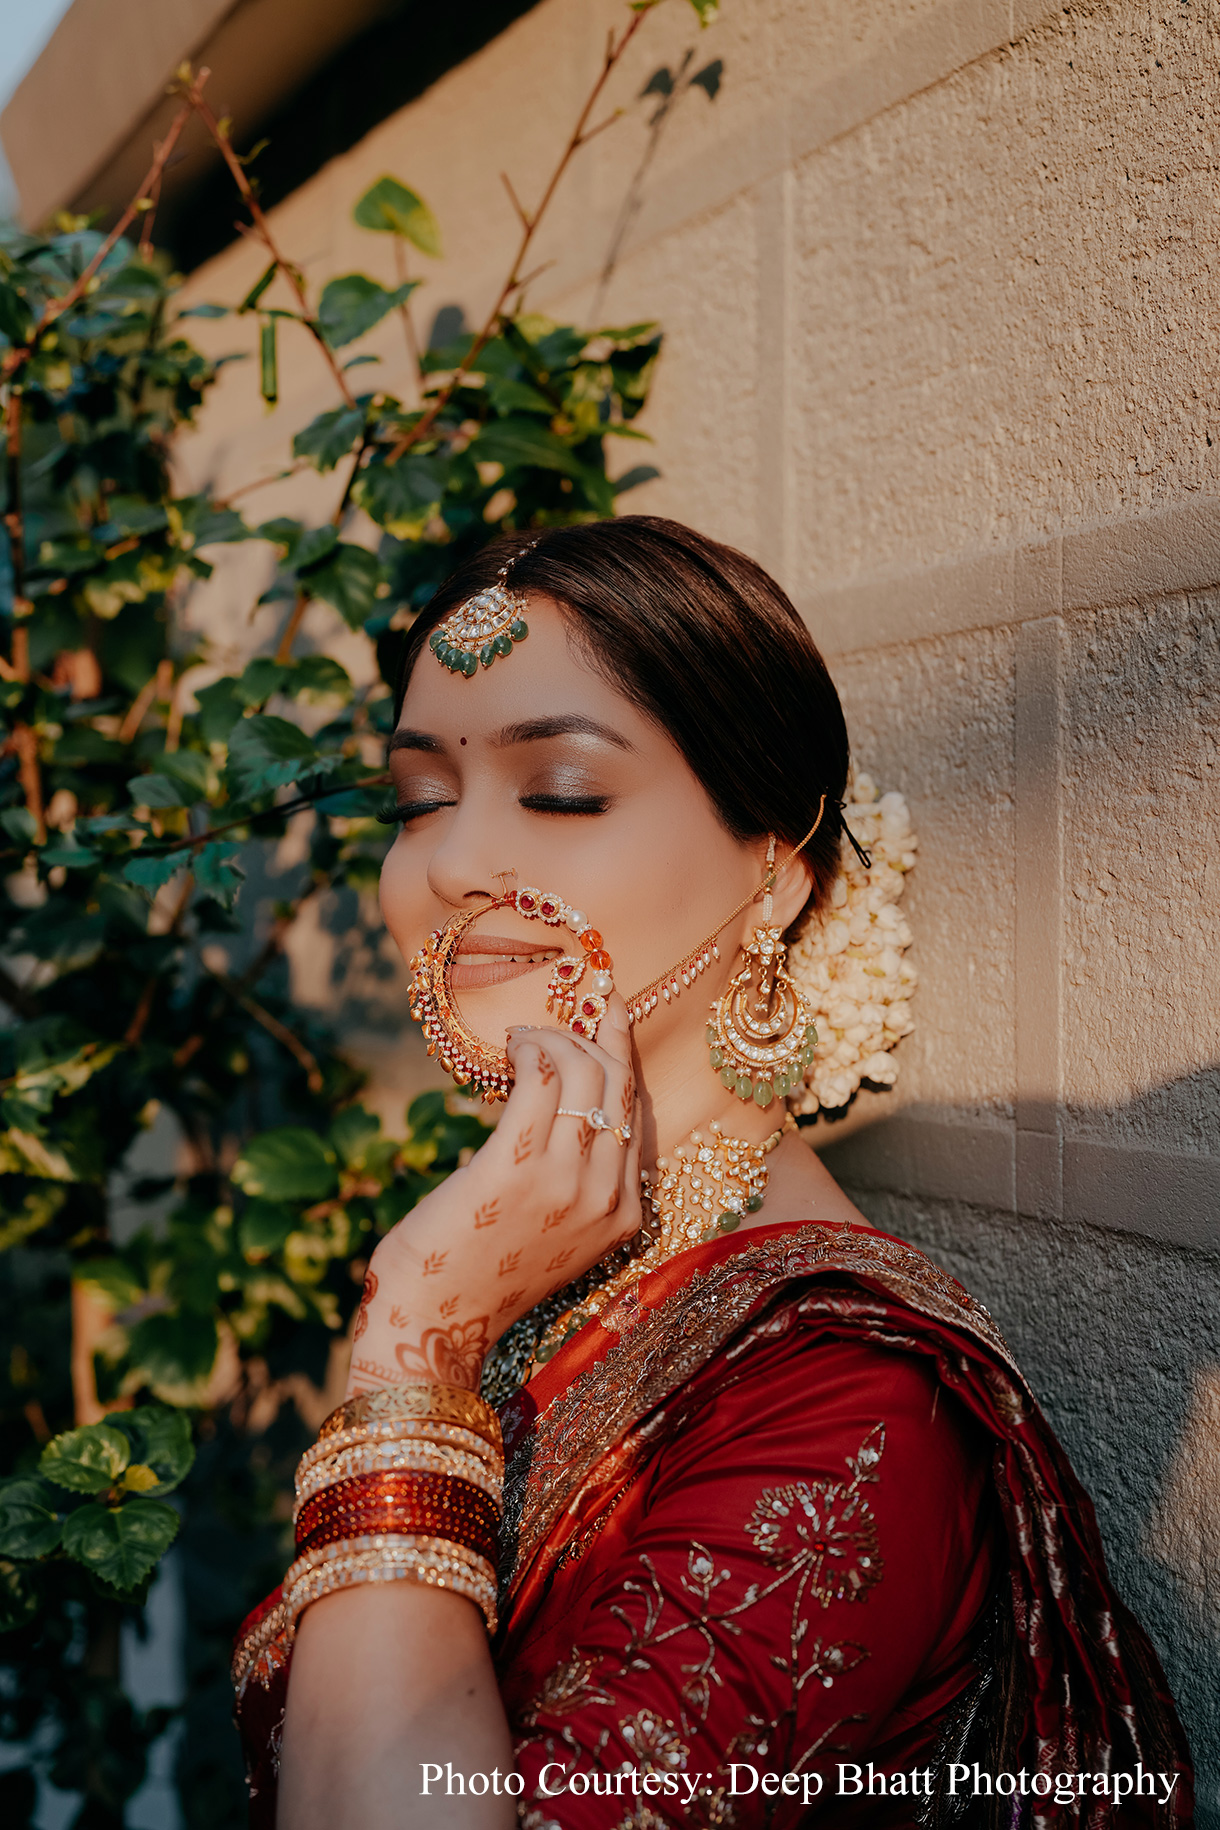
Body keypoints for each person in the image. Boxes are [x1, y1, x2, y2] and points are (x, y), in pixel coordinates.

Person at [232, 518, 1192, 1828]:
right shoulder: (524, 1264)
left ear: (775, 873)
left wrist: (415, 1340)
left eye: (561, 791)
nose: (449, 863)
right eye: (420, 800)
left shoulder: (854, 1410)